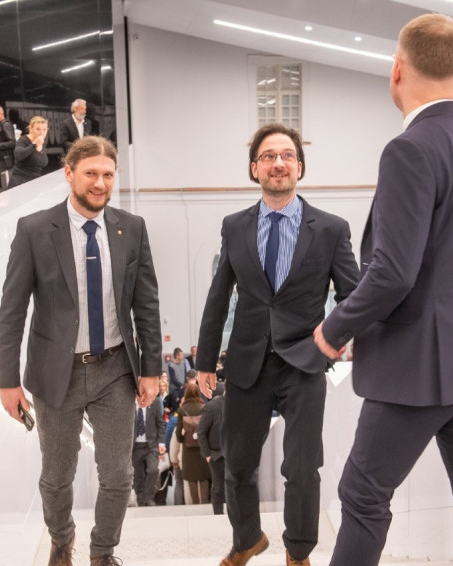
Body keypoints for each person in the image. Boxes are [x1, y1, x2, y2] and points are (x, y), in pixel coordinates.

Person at [312, 14, 453, 566]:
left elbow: (392, 273)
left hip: (416, 370)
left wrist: (334, 329)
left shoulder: (408, 149)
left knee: (363, 496)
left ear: (397, 69)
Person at [196, 123, 359, 566]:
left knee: (302, 468)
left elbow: (353, 295)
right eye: (268, 156)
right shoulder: (234, 226)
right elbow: (218, 296)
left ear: (300, 167)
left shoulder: (330, 229)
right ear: (255, 168)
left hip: (304, 363)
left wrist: (334, 340)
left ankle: (298, 552)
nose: (278, 163)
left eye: (287, 155)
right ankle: (247, 539)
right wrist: (205, 360)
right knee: (236, 463)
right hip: (247, 361)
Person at [0, 135, 162, 566]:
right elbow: (12, 310)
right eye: (90, 173)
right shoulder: (34, 230)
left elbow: (146, 305)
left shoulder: (131, 228)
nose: (100, 183)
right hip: (56, 373)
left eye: (108, 175)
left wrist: (151, 369)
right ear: (69, 173)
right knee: (56, 476)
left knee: (118, 474)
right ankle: (62, 540)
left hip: (115, 369)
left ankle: (103, 552)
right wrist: (7, 380)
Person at [175, 382, 211, 505]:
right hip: (202, 448)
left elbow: (178, 433)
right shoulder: (204, 408)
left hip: (188, 450)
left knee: (192, 478)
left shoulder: (182, 410)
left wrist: (183, 439)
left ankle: (195, 505)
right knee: (204, 478)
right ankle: (205, 504)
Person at [131, 393, 166, 507]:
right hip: (135, 446)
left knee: (153, 470)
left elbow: (160, 423)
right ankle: (141, 500)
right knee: (138, 476)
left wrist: (161, 443)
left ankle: (148, 497)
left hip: (151, 445)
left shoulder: (155, 402)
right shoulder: (129, 402)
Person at [197, 385, 225, 514]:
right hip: (217, 454)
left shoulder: (239, 405)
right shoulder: (211, 407)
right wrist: (207, 454)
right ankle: (218, 516)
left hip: (234, 453)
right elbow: (201, 432)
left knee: (235, 487)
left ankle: (235, 517)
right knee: (218, 488)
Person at [8, 115, 48, 189]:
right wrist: (34, 145)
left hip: (34, 183)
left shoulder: (42, 142)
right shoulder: (23, 140)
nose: (41, 132)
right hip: (20, 183)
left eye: (44, 129)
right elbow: (18, 155)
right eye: (38, 129)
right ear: (31, 129)